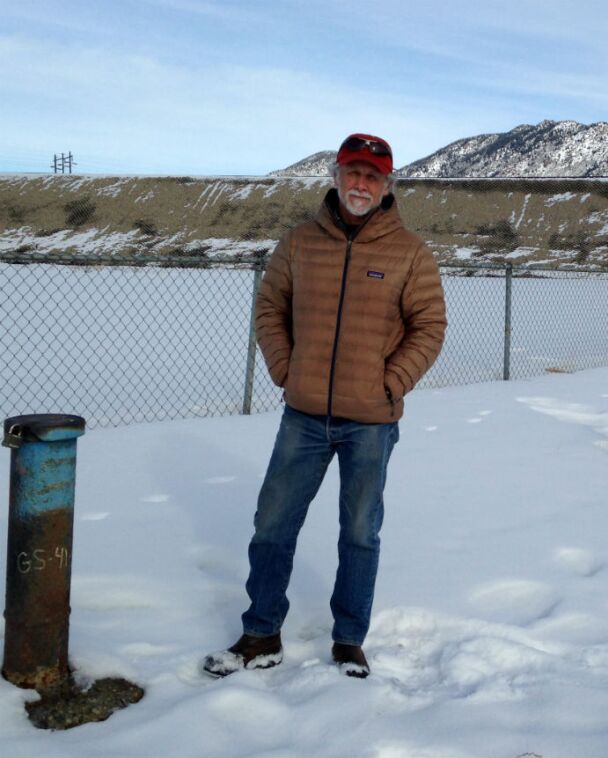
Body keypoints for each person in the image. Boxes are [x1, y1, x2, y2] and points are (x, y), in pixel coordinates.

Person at [202, 134, 447, 679]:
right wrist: (286, 368)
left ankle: (349, 639)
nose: (361, 184)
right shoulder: (299, 243)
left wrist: (393, 382)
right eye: (352, 172)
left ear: (387, 187)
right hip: (304, 415)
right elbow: (270, 305)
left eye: (372, 176)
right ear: (335, 177)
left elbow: (430, 327)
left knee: (359, 532)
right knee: (272, 524)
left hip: (371, 422)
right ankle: (261, 632)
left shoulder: (410, 252)